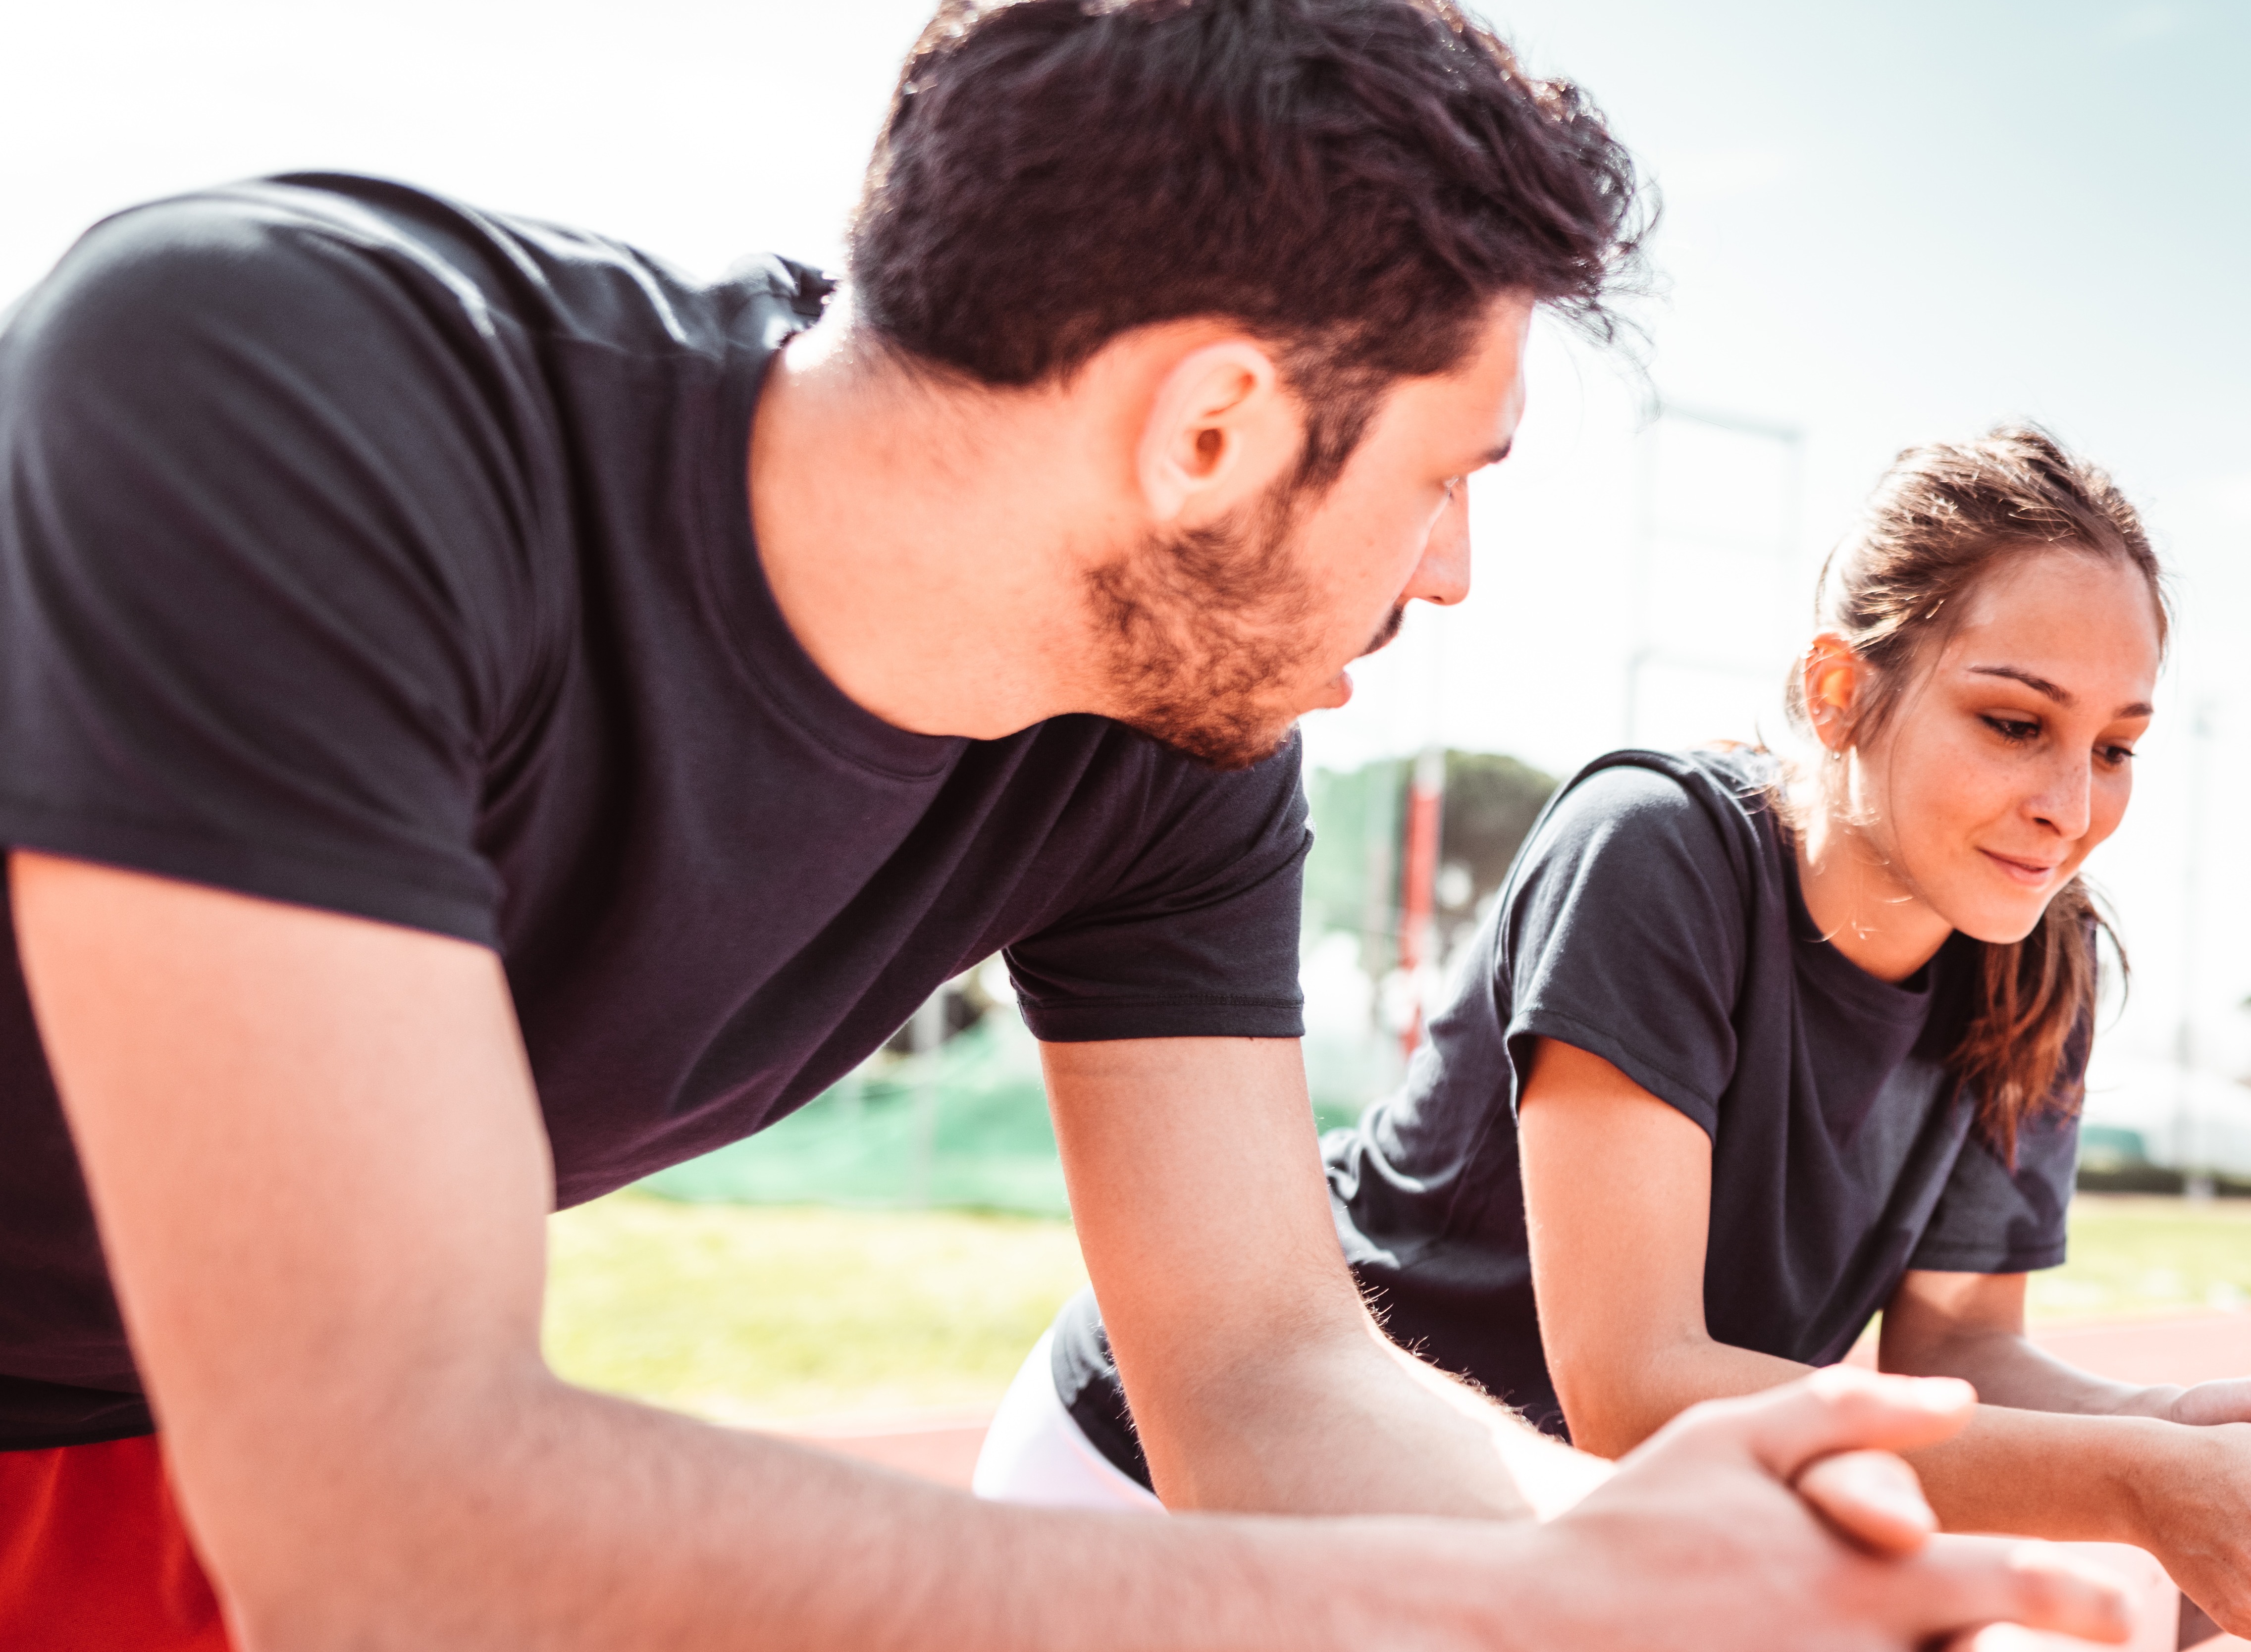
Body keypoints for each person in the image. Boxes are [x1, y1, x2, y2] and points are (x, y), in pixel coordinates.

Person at [0, 2, 2131, 1648]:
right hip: (292, 1435)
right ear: (1213, 428)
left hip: (184, 1425)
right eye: (1444, 475)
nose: (1454, 569)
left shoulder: (1166, 733)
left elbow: (1258, 1362)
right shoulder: (284, 392)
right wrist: (1509, 1604)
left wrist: (1671, 1571)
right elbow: (394, 1508)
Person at [986, 426, 2251, 1650]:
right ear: (1838, 689)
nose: (2073, 803)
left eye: (2116, 745)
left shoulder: (2035, 965)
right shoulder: (1656, 852)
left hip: (1533, 1560)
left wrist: (2185, 1432)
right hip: (1179, 1485)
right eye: (2013, 722)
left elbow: (1962, 1356)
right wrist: (2134, 1488)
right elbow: (1635, 1386)